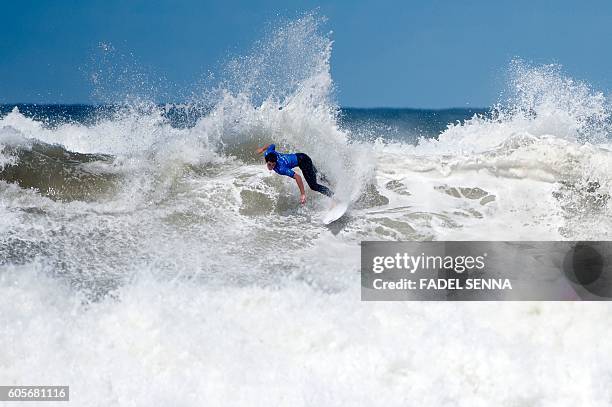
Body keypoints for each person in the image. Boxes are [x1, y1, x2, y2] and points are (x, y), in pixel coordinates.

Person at [256, 143, 333, 204]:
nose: (272, 167)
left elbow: (297, 177)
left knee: (313, 186)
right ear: (266, 161)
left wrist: (302, 194)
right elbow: (272, 145)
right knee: (316, 175)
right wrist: (262, 149)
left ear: (276, 162)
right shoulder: (268, 153)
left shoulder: (281, 168)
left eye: (273, 165)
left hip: (304, 162)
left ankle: (333, 196)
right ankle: (330, 183)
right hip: (301, 155)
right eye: (269, 164)